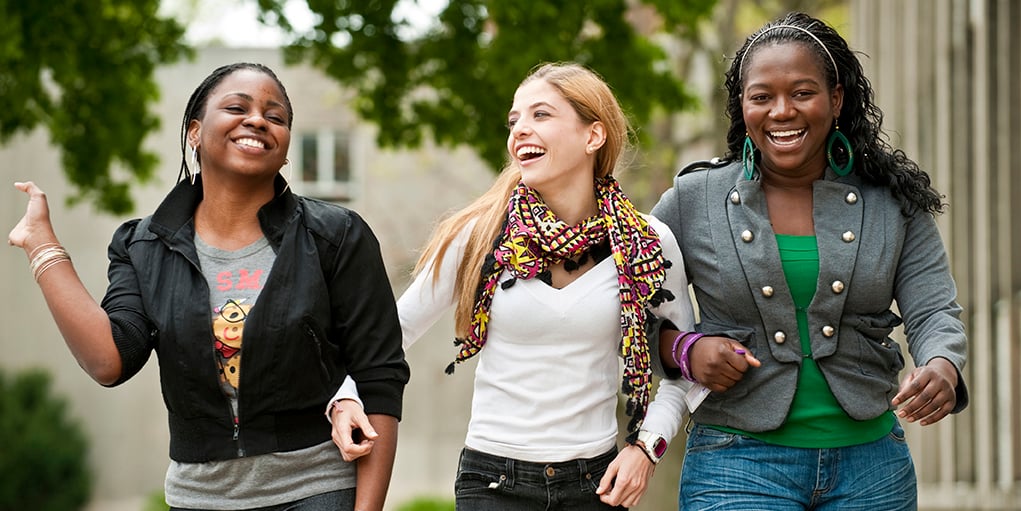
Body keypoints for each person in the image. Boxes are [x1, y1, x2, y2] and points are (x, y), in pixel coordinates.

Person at [8, 62, 410, 511]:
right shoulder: (143, 246)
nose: (257, 120)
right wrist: (44, 248)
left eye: (275, 117)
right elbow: (109, 360)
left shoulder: (335, 235)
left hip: (315, 488)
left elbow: (380, 377)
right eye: (237, 107)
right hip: (197, 496)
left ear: (284, 146)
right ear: (195, 132)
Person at [650, 12, 969, 511]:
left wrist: (942, 366)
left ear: (836, 99)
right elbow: (630, 313)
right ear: (742, 105)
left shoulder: (891, 202)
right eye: (762, 97)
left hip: (872, 469)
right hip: (736, 465)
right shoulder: (694, 200)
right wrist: (686, 350)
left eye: (802, 92)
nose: (782, 111)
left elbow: (933, 311)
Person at [340, 62, 694, 509]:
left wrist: (647, 449)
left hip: (596, 486)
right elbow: (389, 337)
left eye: (540, 115)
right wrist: (344, 397)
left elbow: (683, 371)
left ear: (593, 136)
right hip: (493, 484)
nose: (520, 131)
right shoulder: (480, 235)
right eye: (514, 120)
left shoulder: (647, 243)